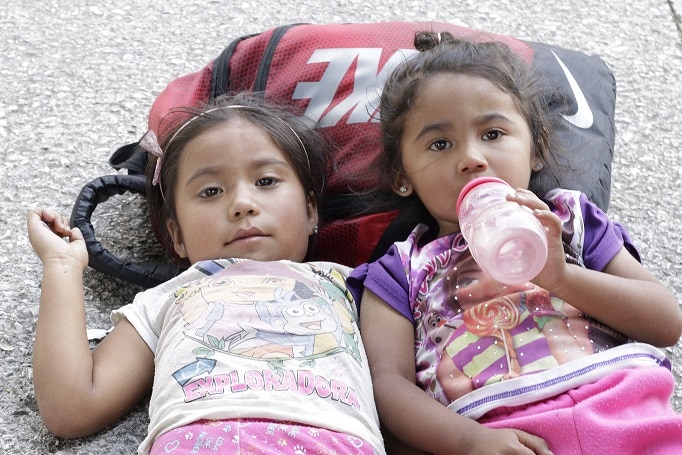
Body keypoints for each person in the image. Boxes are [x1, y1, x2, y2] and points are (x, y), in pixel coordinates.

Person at [348, 32, 682, 455]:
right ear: (402, 176)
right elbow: (387, 386)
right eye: (440, 144)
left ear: (536, 149)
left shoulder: (570, 219)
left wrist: (563, 278)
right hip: (498, 430)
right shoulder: (399, 269)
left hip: (622, 407)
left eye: (492, 134)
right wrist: (470, 441)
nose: (472, 158)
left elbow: (665, 321)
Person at [27, 92, 385, 454]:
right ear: (177, 235)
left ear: (311, 211)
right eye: (210, 191)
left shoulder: (355, 284)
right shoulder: (171, 296)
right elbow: (71, 407)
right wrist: (62, 267)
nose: (243, 204)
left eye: (266, 181)